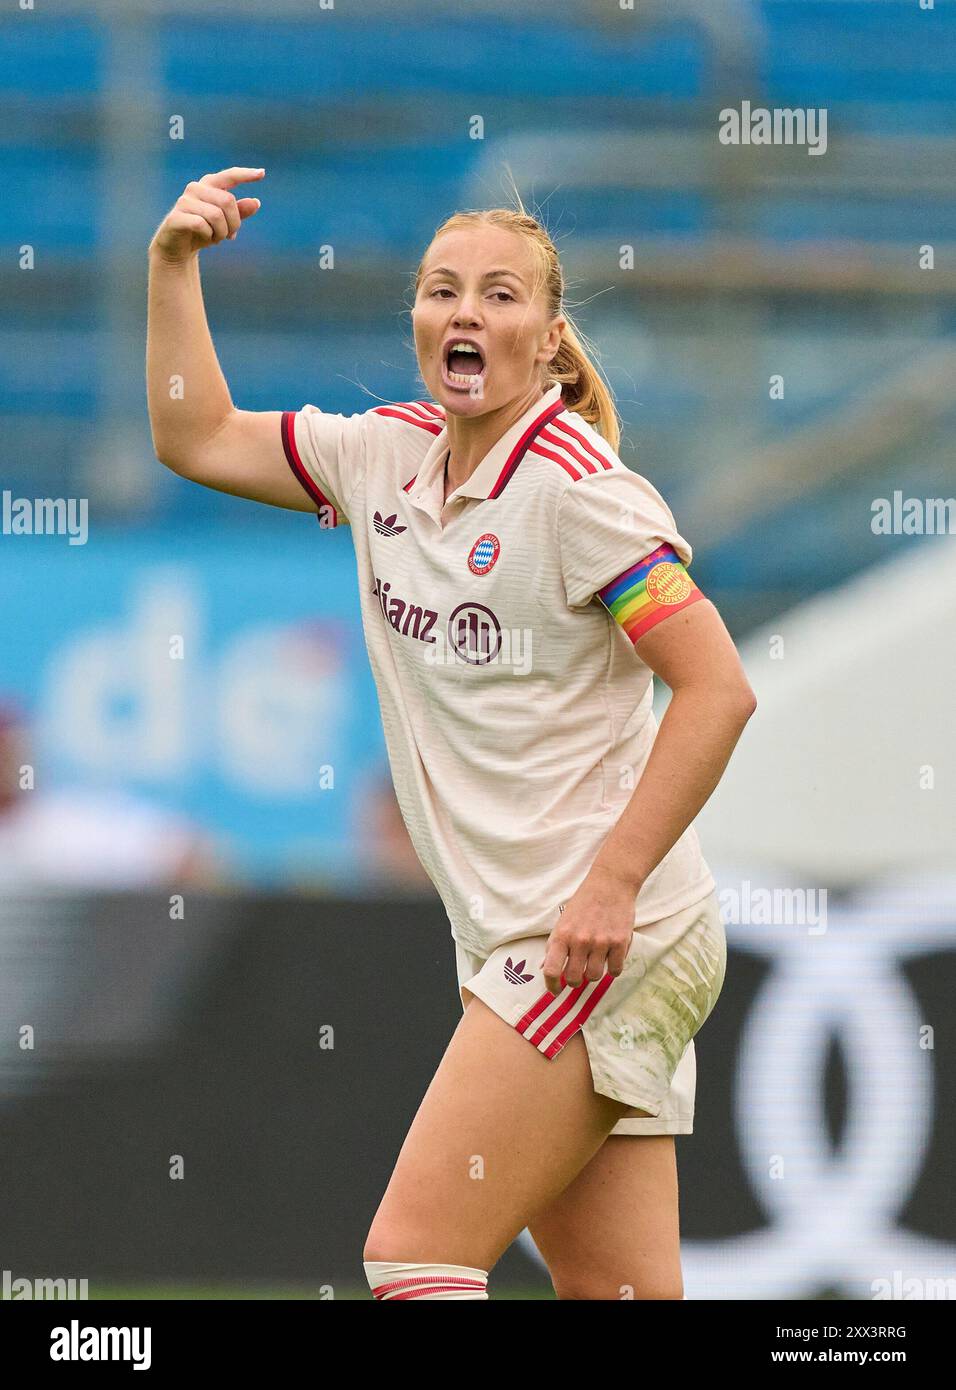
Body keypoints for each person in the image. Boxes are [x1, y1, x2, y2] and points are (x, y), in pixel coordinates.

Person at [146, 167, 756, 1302]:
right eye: (440, 291)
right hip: (534, 934)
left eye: (499, 295)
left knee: (413, 1254)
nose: (464, 312)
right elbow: (197, 436)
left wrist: (610, 887)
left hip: (593, 936)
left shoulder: (583, 494)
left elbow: (717, 691)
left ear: (550, 340)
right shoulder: (381, 454)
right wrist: (174, 264)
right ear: (418, 322)